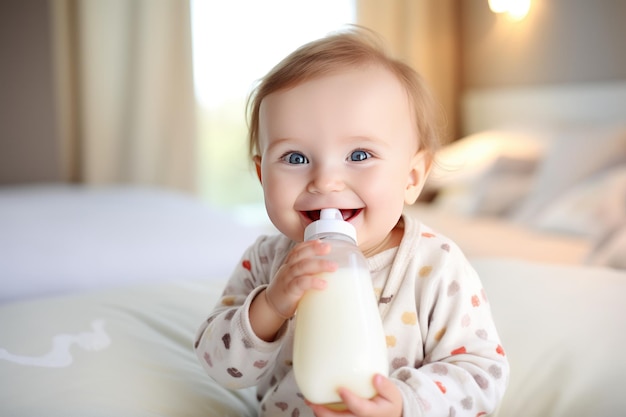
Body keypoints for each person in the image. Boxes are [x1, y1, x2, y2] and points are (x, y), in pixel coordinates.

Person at [194, 26, 509, 417]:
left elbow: (483, 376)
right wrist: (272, 305)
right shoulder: (266, 261)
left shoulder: (436, 265)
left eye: (359, 155)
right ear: (262, 177)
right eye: (295, 158)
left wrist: (406, 405)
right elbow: (220, 365)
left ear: (411, 178)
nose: (325, 181)